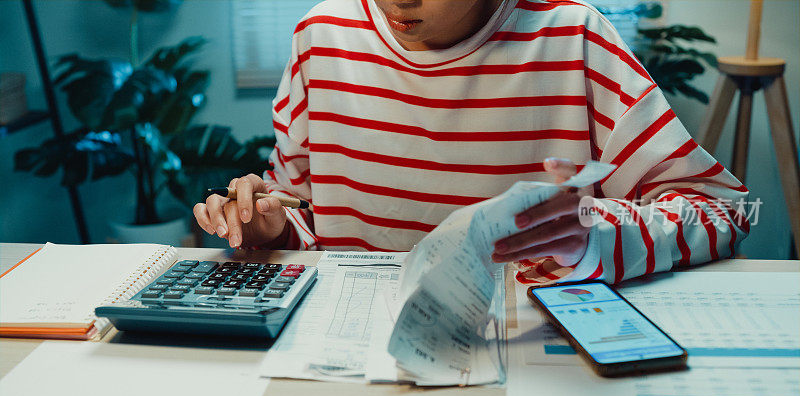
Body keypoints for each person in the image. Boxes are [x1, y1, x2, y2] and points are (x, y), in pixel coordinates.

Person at [193, 0, 749, 284]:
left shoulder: (572, 35)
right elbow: (306, 218)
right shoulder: (321, 36)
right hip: (351, 349)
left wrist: (596, 236)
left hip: (526, 344)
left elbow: (723, 209)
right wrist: (271, 228)